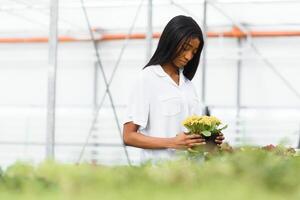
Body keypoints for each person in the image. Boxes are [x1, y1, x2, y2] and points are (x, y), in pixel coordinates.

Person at [123, 15, 224, 163]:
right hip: (161, 175)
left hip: (193, 174)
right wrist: (172, 142)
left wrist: (210, 139)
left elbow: (191, 137)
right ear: (171, 41)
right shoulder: (148, 78)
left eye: (194, 52)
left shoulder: (188, 85)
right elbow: (129, 136)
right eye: (186, 48)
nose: (189, 56)